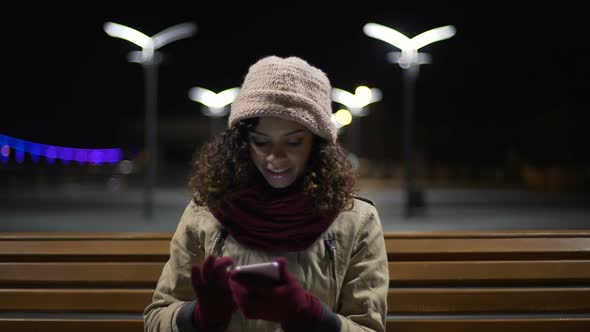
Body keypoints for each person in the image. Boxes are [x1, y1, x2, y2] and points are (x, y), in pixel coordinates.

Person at [143, 55, 389, 332]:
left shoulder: (357, 220)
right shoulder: (206, 212)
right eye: (261, 142)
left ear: (318, 144)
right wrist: (198, 316)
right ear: (241, 143)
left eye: (294, 142)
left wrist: (313, 317)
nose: (275, 157)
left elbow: (368, 328)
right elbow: (156, 318)